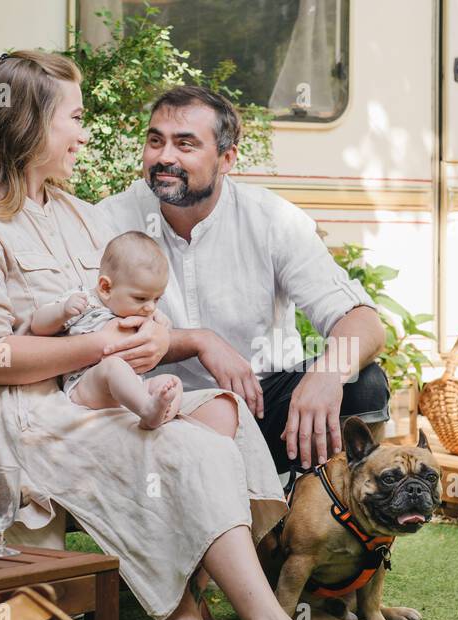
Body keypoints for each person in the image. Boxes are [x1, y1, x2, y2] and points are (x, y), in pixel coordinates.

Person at [0, 51, 364, 620]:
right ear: (25, 126)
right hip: (35, 415)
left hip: (102, 394)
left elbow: (124, 304)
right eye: (75, 118)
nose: (86, 133)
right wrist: (103, 347)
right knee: (195, 449)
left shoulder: (78, 214)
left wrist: (153, 331)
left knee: (220, 411)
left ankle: (181, 614)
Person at [95, 86, 392, 475]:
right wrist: (198, 341)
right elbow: (91, 334)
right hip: (156, 413)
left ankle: (317, 511)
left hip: (263, 408)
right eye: (156, 141)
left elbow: (362, 321)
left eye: (185, 145)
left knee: (363, 382)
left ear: (227, 158)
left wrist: (327, 373)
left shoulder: (271, 220)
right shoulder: (110, 220)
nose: (165, 156)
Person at [30, 231, 183, 429]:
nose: (150, 307)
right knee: (113, 366)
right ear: (105, 287)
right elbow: (37, 325)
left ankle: (159, 413)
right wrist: (62, 311)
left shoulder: (141, 310)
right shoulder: (84, 302)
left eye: (156, 299)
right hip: (87, 385)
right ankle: (148, 410)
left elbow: (158, 331)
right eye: (141, 298)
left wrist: (160, 325)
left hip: (132, 389)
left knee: (173, 381)